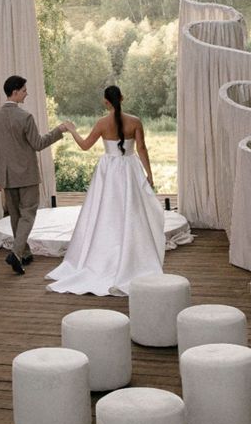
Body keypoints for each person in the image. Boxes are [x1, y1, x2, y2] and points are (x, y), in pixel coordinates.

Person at [46, 85, 165, 295]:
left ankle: (103, 257)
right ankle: (134, 258)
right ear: (122, 98)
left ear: (106, 102)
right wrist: (150, 174)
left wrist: (72, 129)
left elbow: (84, 146)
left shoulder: (102, 123)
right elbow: (141, 149)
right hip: (129, 169)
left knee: (106, 214)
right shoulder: (135, 121)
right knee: (132, 213)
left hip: (108, 171)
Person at [0, 75, 69, 275]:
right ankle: (16, 253)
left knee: (16, 216)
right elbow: (39, 144)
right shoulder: (25, 117)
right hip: (27, 175)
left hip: (7, 177)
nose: (27, 93)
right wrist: (59, 130)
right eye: (24, 90)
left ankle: (24, 253)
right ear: (15, 92)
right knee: (28, 215)